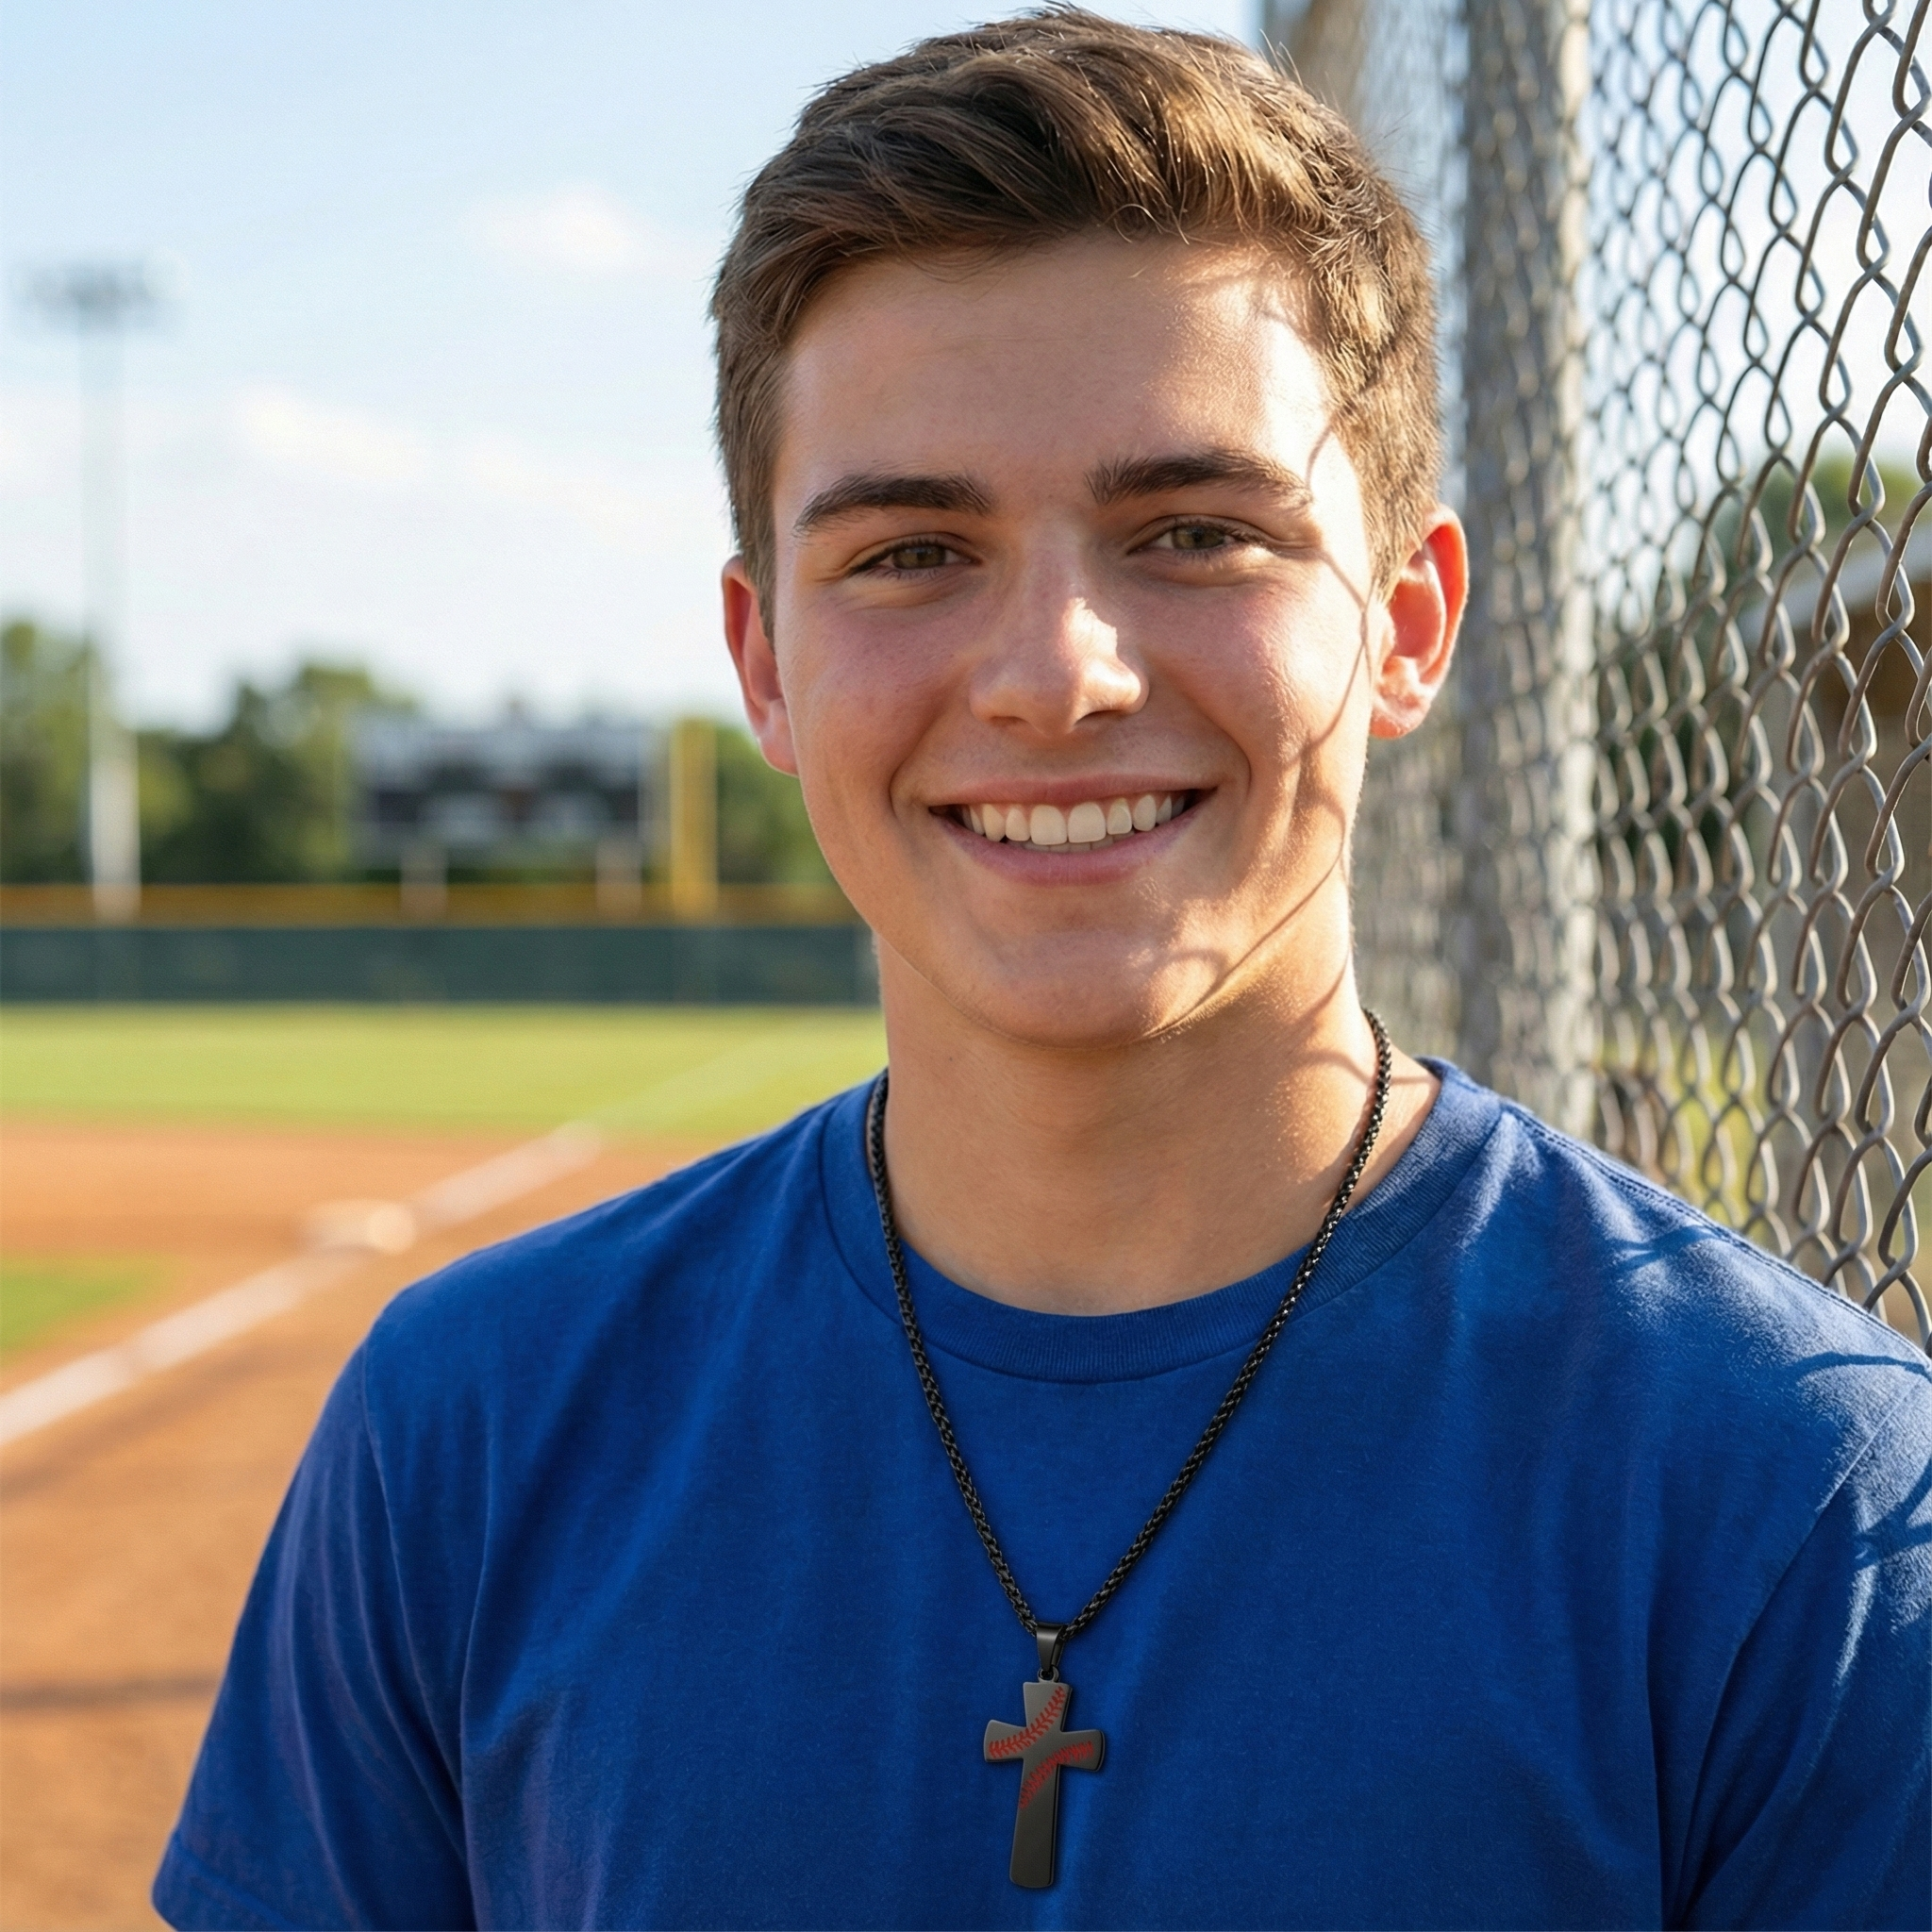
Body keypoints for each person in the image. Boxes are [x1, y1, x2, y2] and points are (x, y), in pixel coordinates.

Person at [155, 12, 1928, 1929]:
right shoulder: (473, 1426)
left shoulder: (1794, 1494)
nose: (1053, 671)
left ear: (1405, 623)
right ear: (763, 663)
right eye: (914, 552)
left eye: (1192, 531)